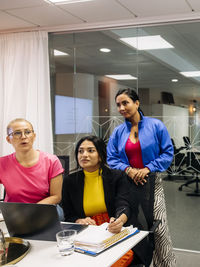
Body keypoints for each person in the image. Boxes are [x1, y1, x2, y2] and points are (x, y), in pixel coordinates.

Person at [107, 88, 176, 267]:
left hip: (152, 182)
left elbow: (168, 153)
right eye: (118, 105)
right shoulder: (118, 132)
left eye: (125, 103)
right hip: (126, 184)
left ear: (137, 103)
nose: (121, 108)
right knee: (134, 228)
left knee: (159, 230)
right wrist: (128, 169)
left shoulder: (156, 126)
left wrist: (148, 168)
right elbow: (111, 158)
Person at [62, 135, 135, 267]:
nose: (84, 155)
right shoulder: (70, 181)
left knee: (113, 261)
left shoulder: (117, 176)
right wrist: (79, 220)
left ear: (100, 156)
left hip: (112, 229)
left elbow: (123, 204)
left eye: (90, 150)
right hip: (86, 233)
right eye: (80, 151)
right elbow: (69, 215)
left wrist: (119, 220)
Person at [0, 118, 63, 205]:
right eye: (17, 133)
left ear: (34, 136)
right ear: (8, 139)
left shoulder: (52, 161)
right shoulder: (2, 163)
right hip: (13, 213)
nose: (23, 136)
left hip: (44, 210)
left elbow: (56, 196)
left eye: (27, 132)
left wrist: (31, 211)